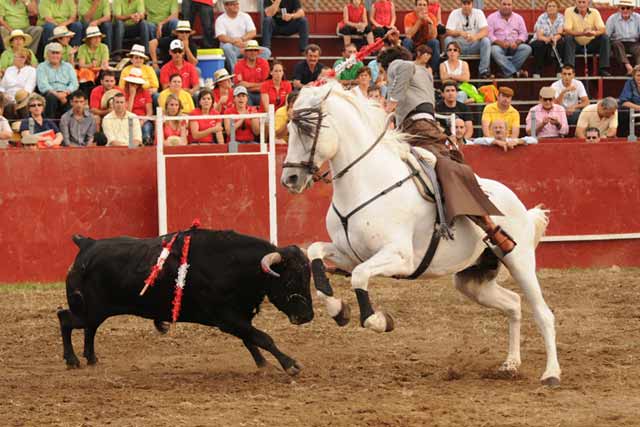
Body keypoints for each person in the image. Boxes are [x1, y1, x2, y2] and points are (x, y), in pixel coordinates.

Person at [378, 46, 516, 254]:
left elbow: (404, 67)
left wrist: (390, 105)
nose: (384, 77)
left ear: (387, 65)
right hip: (417, 128)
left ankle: (489, 226)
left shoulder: (400, 65)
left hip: (418, 129)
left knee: (443, 168)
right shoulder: (423, 73)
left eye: (383, 71)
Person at [215, 0, 272, 73]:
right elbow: (221, 37)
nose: (236, 6)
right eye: (233, 4)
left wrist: (241, 39)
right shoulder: (220, 19)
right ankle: (236, 74)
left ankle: (253, 71)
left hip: (245, 46)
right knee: (226, 47)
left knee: (266, 52)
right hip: (231, 47)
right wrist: (234, 42)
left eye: (237, 4)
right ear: (226, 6)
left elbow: (253, 32)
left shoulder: (245, 16)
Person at [445, 0, 491, 79]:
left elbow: (485, 30)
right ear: (461, 4)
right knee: (448, 40)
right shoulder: (454, 13)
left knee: (486, 41)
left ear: (472, 4)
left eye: (468, 3)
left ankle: (484, 71)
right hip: (459, 46)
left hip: (474, 45)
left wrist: (475, 37)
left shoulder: (479, 13)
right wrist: (459, 32)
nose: (466, 6)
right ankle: (451, 69)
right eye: (464, 3)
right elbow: (448, 31)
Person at [563, 0, 611, 76]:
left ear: (588, 3)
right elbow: (567, 30)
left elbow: (602, 29)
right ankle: (569, 69)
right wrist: (583, 33)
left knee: (605, 37)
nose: (581, 4)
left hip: (591, 44)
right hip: (576, 44)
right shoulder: (569, 11)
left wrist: (594, 33)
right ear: (576, 2)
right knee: (568, 37)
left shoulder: (595, 12)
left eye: (583, 2)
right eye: (579, 2)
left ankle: (603, 69)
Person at [487, 0, 531, 78]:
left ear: (512, 6)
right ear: (499, 5)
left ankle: (506, 72)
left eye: (509, 4)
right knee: (493, 50)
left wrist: (517, 42)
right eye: (504, 4)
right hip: (499, 46)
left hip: (515, 46)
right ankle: (515, 72)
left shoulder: (518, 18)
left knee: (526, 48)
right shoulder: (491, 17)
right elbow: (489, 35)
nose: (506, 6)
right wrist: (501, 43)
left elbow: (524, 34)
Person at [36, 42, 79, 118]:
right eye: (53, 53)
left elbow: (74, 83)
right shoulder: (42, 66)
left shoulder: (68, 66)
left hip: (66, 92)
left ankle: (69, 125)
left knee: (75, 98)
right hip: (50, 93)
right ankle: (50, 124)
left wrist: (65, 93)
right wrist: (57, 95)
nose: (55, 55)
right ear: (48, 54)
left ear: (61, 55)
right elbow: (43, 85)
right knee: (51, 97)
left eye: (57, 53)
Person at [530, 0, 565, 78]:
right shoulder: (542, 17)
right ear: (546, 8)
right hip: (542, 40)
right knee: (539, 44)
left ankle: (559, 71)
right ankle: (537, 71)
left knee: (561, 43)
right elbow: (539, 35)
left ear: (558, 8)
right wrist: (547, 39)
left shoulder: (561, 17)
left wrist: (555, 38)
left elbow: (560, 32)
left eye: (554, 6)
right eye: (549, 6)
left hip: (554, 40)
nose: (551, 8)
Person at [402, 0, 439, 72]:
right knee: (407, 41)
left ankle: (434, 71)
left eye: (424, 5)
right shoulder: (409, 16)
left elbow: (433, 36)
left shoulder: (432, 17)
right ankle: (406, 70)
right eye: (420, 5)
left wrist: (430, 23)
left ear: (427, 7)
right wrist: (419, 20)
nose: (422, 7)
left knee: (435, 42)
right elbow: (409, 35)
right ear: (415, 7)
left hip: (426, 45)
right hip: (413, 45)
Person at [606, 0, 640, 76]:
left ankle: (638, 70)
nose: (625, 10)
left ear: (632, 9)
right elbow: (607, 35)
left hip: (633, 43)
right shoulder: (612, 18)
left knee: (639, 49)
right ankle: (628, 67)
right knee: (616, 44)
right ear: (619, 9)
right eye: (622, 8)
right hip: (618, 42)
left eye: (628, 8)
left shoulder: (638, 18)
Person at [234, 40, 270, 107]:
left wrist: (248, 85)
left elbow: (267, 84)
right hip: (246, 94)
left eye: (255, 50)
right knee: (243, 96)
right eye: (250, 50)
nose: (253, 52)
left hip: (262, 92)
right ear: (246, 52)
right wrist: (258, 86)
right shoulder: (238, 65)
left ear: (258, 52)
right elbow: (240, 85)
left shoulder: (264, 63)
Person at [123, 67, 153, 144]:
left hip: (143, 118)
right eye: (132, 83)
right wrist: (132, 95)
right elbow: (127, 112)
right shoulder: (124, 93)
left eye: (137, 84)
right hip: (129, 119)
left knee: (147, 127)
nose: (135, 86)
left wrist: (142, 121)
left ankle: (147, 143)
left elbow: (149, 112)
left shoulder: (145, 92)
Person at [76, 26, 110, 90]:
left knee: (104, 73)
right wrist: (90, 65)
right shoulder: (82, 48)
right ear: (89, 39)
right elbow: (81, 65)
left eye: (99, 37)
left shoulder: (104, 47)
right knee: (85, 72)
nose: (97, 39)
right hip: (87, 72)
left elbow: (104, 65)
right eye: (94, 38)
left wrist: (95, 69)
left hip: (99, 72)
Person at [470, 119, 537, 150]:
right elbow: (476, 141)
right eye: (495, 128)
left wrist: (518, 141)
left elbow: (534, 140)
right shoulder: (489, 141)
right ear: (491, 131)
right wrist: (495, 142)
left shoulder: (511, 141)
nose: (498, 130)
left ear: (506, 130)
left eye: (500, 127)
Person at [617, 65, 640, 136]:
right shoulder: (630, 83)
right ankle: (623, 137)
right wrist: (639, 108)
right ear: (633, 76)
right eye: (638, 75)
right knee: (623, 111)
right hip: (634, 110)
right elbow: (624, 102)